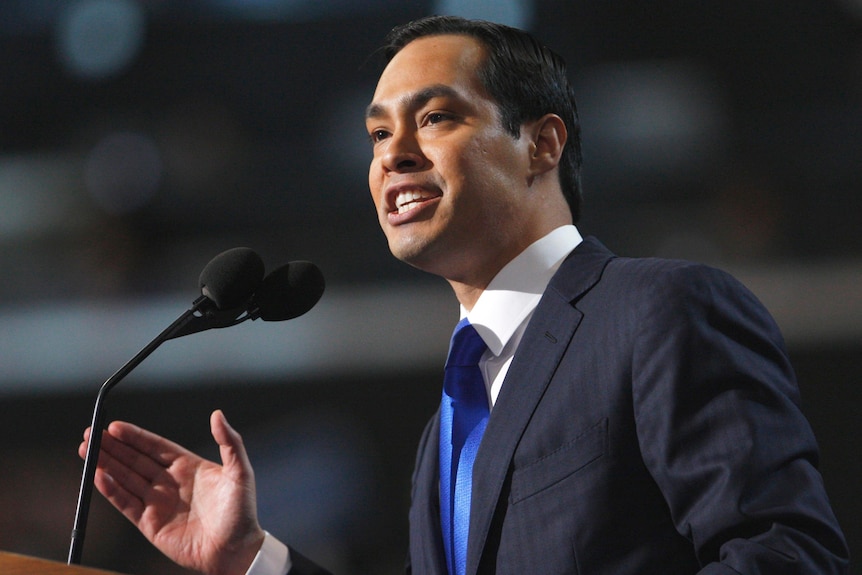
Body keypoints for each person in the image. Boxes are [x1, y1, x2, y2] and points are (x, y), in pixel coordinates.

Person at [80, 15, 850, 575]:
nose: (394, 156)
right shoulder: (447, 429)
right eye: (378, 135)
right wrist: (253, 558)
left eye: (437, 117)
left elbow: (785, 554)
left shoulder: (657, 310)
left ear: (541, 144)